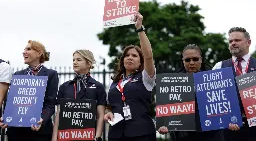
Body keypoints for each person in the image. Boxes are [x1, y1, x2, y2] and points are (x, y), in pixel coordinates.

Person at [103, 12, 156, 141]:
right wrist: (107, 113)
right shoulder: (116, 82)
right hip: (116, 134)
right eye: (127, 55)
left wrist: (139, 28)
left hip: (141, 134)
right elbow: (110, 106)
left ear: (140, 61)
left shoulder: (146, 77)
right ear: (122, 60)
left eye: (134, 55)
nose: (130, 58)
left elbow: (149, 55)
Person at [158, 44, 224, 141]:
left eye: (195, 59)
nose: (191, 63)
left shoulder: (214, 79)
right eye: (187, 60)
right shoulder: (171, 82)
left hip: (212, 134)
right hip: (183, 135)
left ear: (201, 59)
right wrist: (164, 124)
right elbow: (166, 112)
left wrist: (231, 119)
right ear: (183, 61)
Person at [0, 40, 59, 141]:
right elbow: (12, 101)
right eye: (24, 49)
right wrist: (6, 117)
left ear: (39, 53)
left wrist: (42, 119)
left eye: (28, 49)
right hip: (16, 132)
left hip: (40, 132)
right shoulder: (17, 75)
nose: (24, 52)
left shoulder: (51, 74)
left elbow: (50, 103)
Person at [212, 27, 256, 141]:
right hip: (228, 128)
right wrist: (224, 119)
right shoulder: (219, 67)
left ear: (248, 42)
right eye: (231, 41)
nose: (233, 43)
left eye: (237, 40)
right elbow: (211, 98)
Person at [52, 49, 106, 141]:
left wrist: (97, 136)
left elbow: (100, 116)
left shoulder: (98, 86)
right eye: (73, 60)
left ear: (89, 63)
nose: (75, 62)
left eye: (78, 60)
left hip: (89, 136)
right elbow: (58, 115)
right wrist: (54, 138)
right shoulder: (64, 87)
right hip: (67, 136)